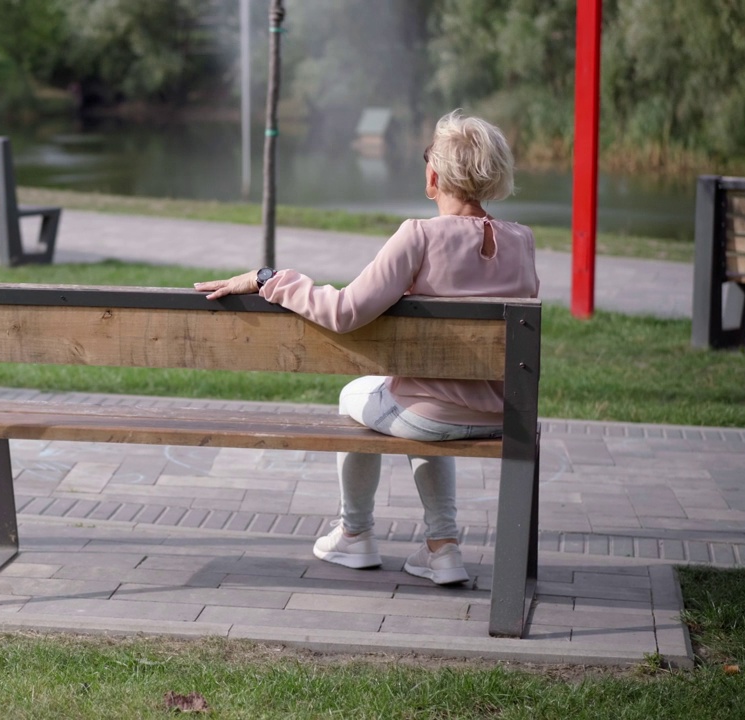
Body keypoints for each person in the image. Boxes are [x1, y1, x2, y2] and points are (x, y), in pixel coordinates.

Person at [193, 110, 539, 586]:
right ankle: (443, 548)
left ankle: (355, 534)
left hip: (431, 413)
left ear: (434, 175)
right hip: (501, 415)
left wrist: (269, 279)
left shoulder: (418, 236)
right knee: (421, 403)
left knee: (359, 399)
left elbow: (343, 312)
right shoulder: (522, 241)